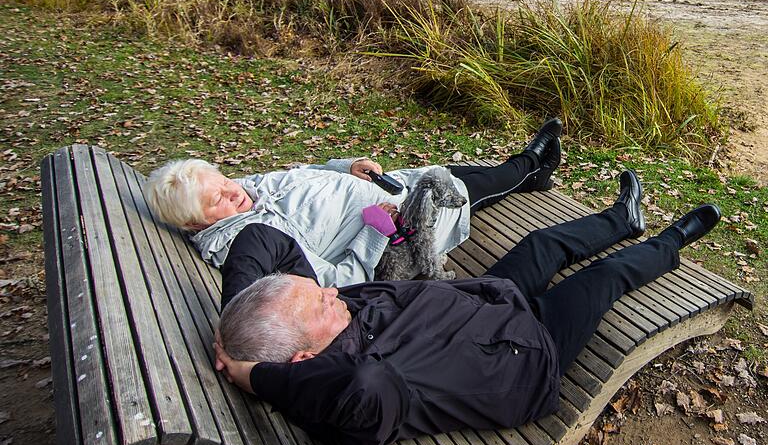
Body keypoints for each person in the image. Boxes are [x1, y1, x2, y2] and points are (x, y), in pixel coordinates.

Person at [214, 179, 722, 445]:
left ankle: (622, 219)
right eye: (321, 302)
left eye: (320, 290)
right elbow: (366, 386)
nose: (331, 291)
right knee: (606, 278)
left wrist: (239, 323)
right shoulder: (359, 389)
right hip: (524, 353)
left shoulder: (318, 317)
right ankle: (673, 241)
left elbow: (260, 239)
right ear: (303, 360)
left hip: (484, 300)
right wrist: (258, 375)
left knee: (541, 244)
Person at [144, 120, 563, 303]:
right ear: (196, 223)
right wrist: (376, 230)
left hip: (385, 187)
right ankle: (529, 165)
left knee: (452, 173)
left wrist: (346, 168)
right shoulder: (250, 246)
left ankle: (530, 173)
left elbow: (305, 173)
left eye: (224, 182)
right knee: (467, 187)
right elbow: (333, 283)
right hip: (400, 225)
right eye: (216, 199)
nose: (232, 193)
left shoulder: (248, 189)